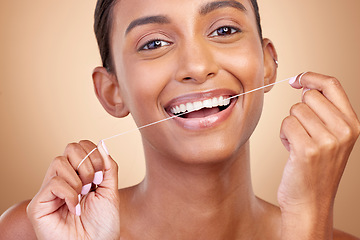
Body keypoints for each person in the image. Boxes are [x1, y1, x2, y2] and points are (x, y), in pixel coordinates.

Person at [1, 0, 359, 239]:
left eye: (224, 30)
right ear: (113, 91)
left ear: (267, 66)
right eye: (154, 43)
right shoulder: (32, 231)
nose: (197, 67)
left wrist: (308, 222)